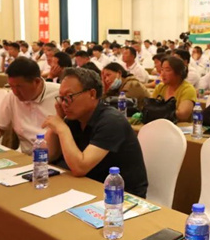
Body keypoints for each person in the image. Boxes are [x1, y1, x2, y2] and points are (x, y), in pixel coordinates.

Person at [43, 68, 148, 198]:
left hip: (120, 196)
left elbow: (79, 168)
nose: (63, 103)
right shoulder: (75, 118)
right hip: (87, 186)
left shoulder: (112, 121)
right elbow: (47, 156)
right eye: (61, 97)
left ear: (92, 94)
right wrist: (59, 118)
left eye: (69, 96)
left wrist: (62, 129)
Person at [0, 58, 60, 154]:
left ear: (37, 82)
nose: (15, 92)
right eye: (11, 86)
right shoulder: (12, 96)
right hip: (26, 155)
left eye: (19, 87)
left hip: (51, 157)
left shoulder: (59, 94)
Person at [152, 56, 197, 122]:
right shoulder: (160, 87)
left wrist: (157, 112)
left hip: (179, 126)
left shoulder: (188, 89)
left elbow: (183, 115)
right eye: (162, 70)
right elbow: (149, 107)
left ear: (179, 72)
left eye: (167, 70)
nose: (163, 74)